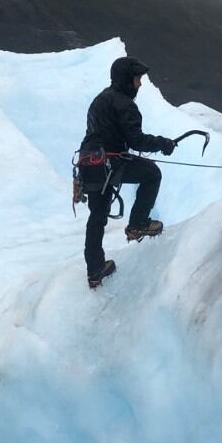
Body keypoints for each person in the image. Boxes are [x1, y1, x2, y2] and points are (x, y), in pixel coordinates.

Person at [77, 56, 177, 288]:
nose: (139, 84)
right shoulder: (125, 104)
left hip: (88, 163)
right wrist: (163, 144)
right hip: (108, 162)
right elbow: (137, 141)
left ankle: (95, 269)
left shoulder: (100, 99)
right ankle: (138, 223)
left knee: (97, 216)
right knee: (151, 173)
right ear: (126, 79)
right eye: (137, 79)